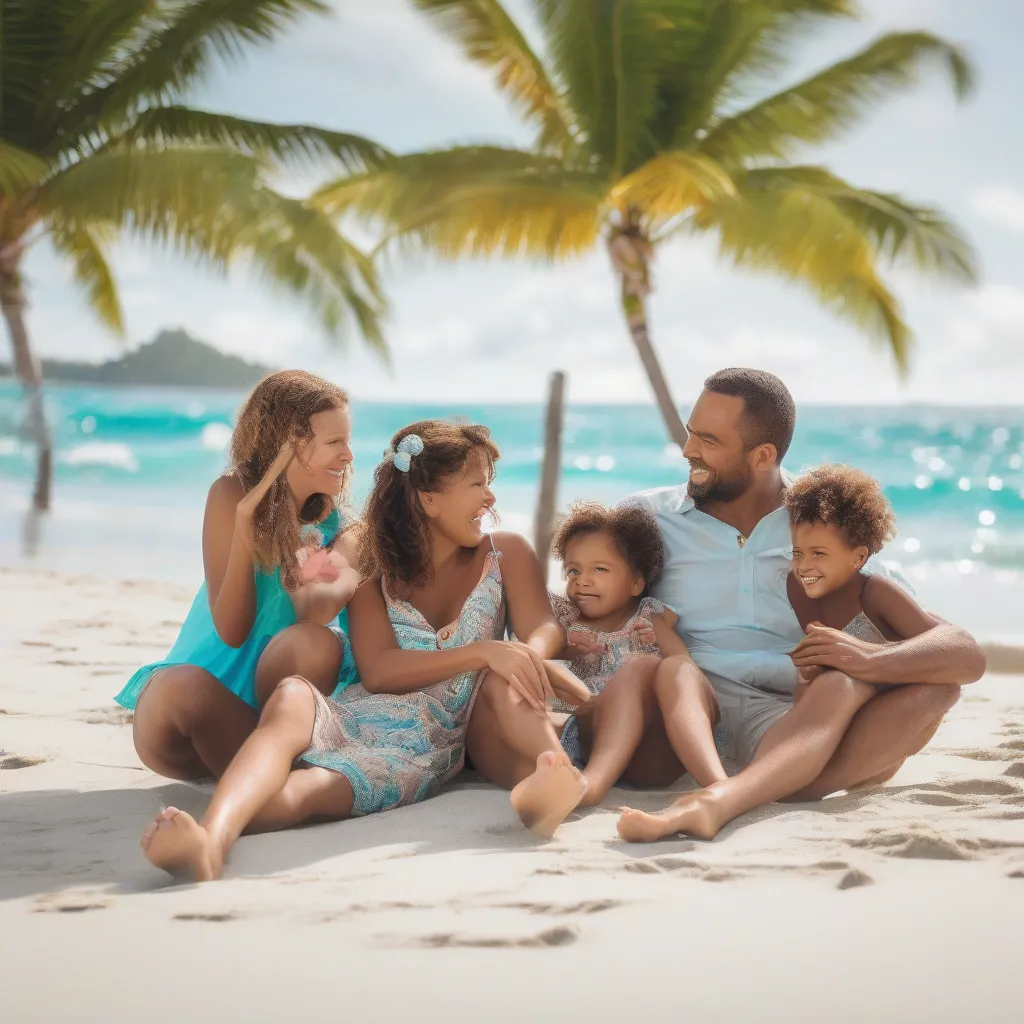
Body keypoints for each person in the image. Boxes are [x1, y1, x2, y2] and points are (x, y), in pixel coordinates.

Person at [139, 421, 593, 882]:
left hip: (419, 744)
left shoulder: (506, 553)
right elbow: (378, 671)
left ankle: (552, 775)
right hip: (353, 712)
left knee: (310, 791)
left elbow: (542, 626)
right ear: (428, 499)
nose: (490, 499)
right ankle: (209, 843)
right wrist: (484, 652)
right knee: (294, 694)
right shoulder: (375, 569)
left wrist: (523, 653)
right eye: (478, 485)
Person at [616, 368, 986, 843]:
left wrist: (867, 657)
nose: (688, 451)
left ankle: (753, 789)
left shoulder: (819, 525)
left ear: (762, 456)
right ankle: (749, 791)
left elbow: (963, 654)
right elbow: (591, 603)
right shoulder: (644, 518)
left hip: (797, 715)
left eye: (708, 440)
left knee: (935, 691)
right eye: (691, 433)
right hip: (691, 711)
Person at [116, 370, 360, 782]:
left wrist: (329, 559)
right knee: (183, 685)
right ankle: (266, 780)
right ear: (288, 444)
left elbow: (315, 614)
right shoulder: (230, 495)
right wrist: (247, 526)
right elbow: (232, 629)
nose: (349, 455)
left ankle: (262, 777)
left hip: (266, 716)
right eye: (335, 442)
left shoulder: (340, 527)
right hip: (192, 717)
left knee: (318, 642)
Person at [547, 501, 726, 805]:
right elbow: (542, 670)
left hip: (661, 745)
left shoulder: (647, 617)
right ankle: (591, 784)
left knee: (657, 667)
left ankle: (719, 784)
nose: (582, 580)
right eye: (573, 570)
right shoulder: (564, 622)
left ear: (635, 583)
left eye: (599, 569)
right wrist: (564, 646)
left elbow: (685, 668)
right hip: (597, 741)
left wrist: (655, 643)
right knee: (634, 672)